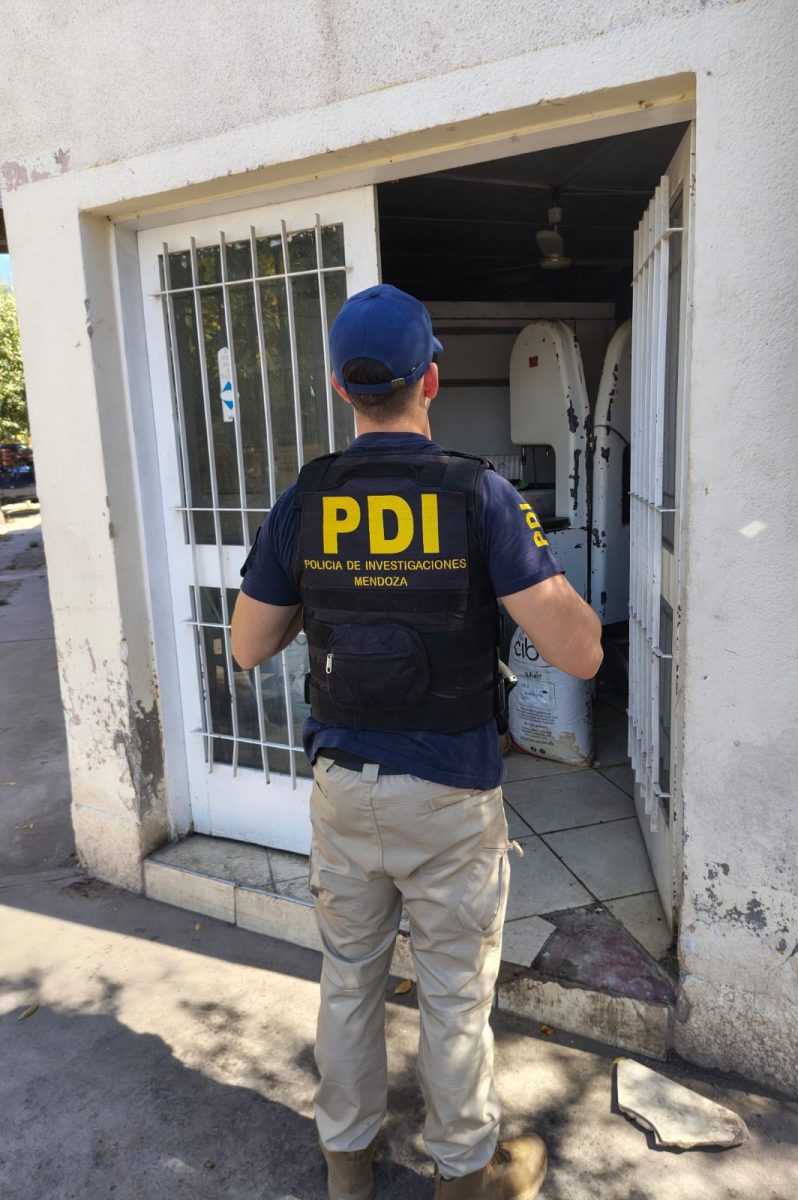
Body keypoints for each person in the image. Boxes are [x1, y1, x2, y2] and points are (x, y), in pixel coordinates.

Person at [232, 284, 603, 1200]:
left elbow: (246, 644)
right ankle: (466, 1175)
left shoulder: (306, 498)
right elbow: (581, 652)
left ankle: (347, 1169)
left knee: (348, 981)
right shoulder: (481, 495)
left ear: (340, 386)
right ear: (430, 379)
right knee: (454, 995)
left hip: (344, 789)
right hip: (448, 793)